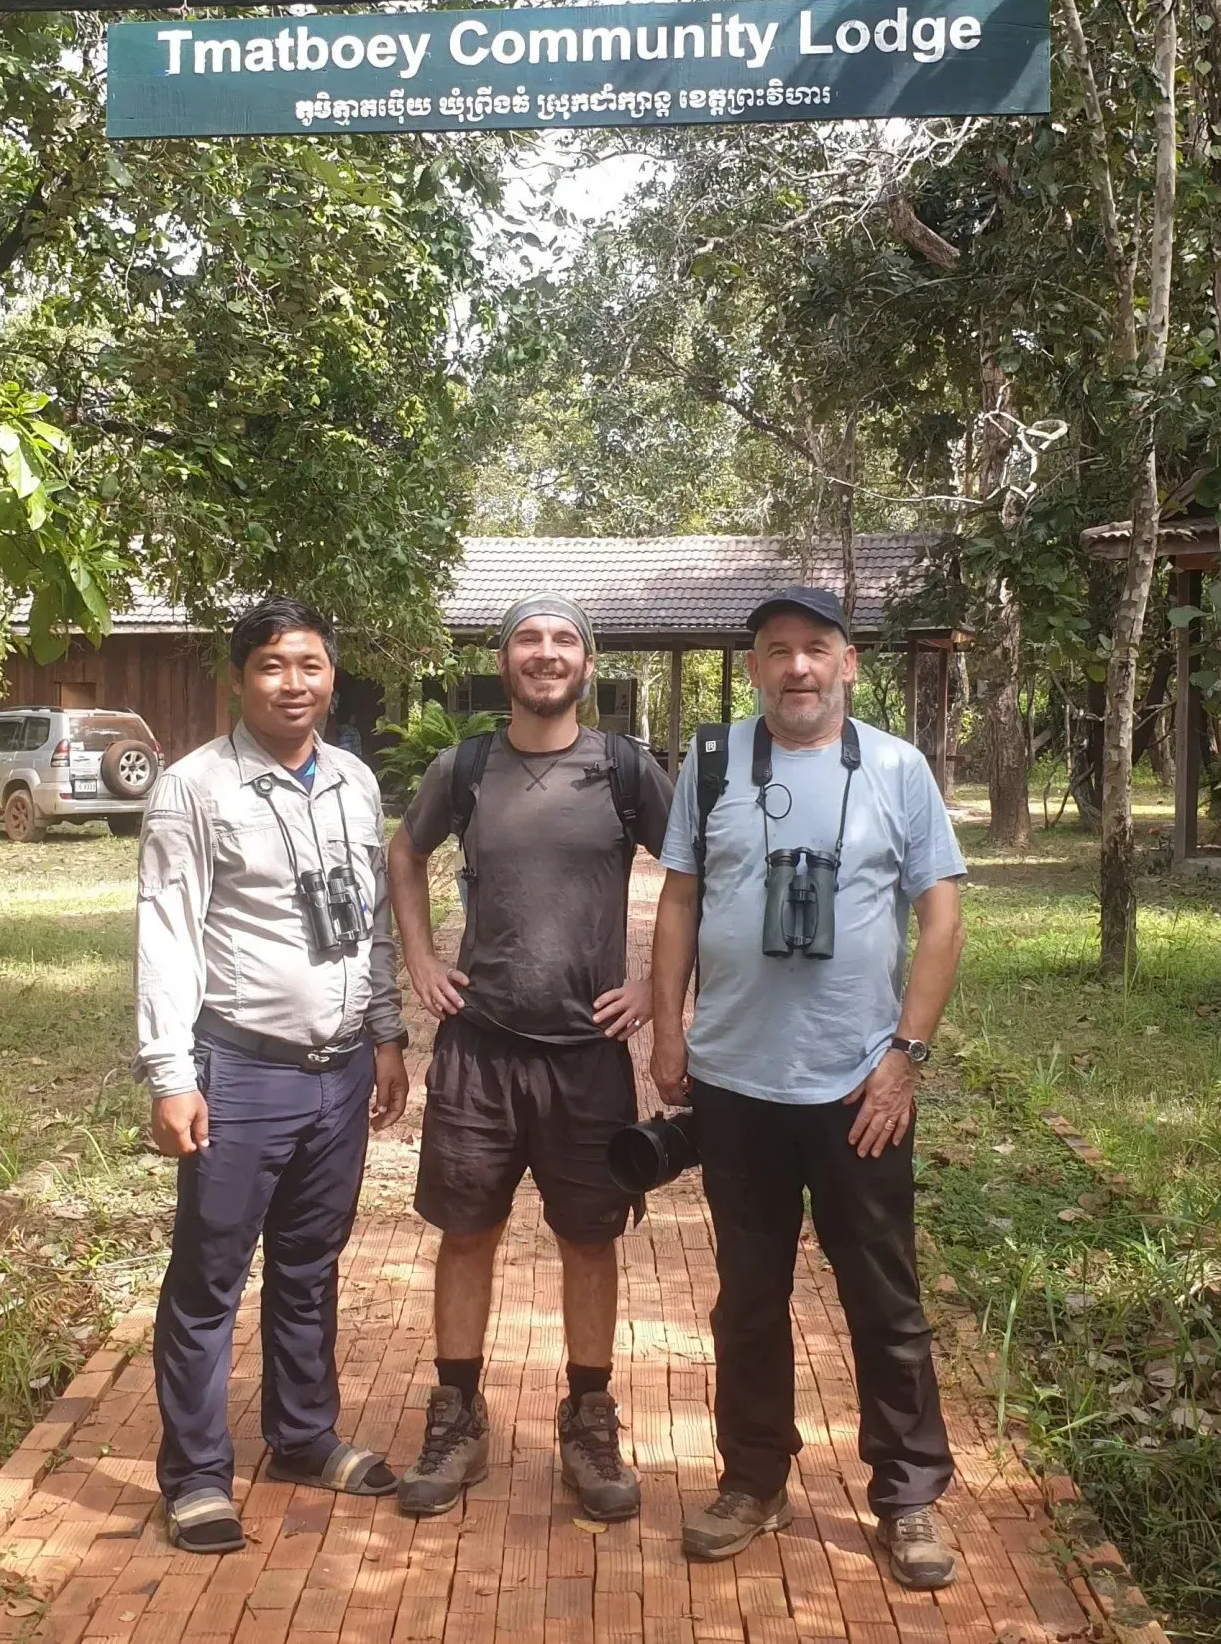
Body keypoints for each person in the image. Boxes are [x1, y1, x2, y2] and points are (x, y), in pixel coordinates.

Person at [650, 585, 966, 1584]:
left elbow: (942, 916)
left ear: (847, 663)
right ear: (752, 668)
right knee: (747, 1297)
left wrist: (903, 1058)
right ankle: (751, 1479)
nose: (796, 668)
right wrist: (667, 1029)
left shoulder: (896, 769)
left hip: (855, 1090)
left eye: (815, 649)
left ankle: (907, 1496)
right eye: (776, 651)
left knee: (882, 1295)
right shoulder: (708, 765)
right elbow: (677, 901)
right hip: (735, 1083)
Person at [388, 595, 674, 1521]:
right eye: (528, 639)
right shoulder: (465, 766)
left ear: (587, 661)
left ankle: (589, 1420)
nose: (545, 654)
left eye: (563, 640)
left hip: (588, 1053)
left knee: (589, 1240)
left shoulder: (626, 769)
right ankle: (458, 1417)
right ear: (503, 658)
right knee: (465, 1233)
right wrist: (423, 958)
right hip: (479, 1049)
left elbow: (699, 875)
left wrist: (658, 991)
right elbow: (405, 851)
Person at [135, 595, 409, 1555]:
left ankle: (301, 1436)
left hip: (338, 1076)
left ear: (332, 675)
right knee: (210, 1277)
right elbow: (166, 933)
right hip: (240, 1070)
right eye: (272, 666)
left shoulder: (355, 783)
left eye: (311, 665)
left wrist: (386, 1032)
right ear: (239, 678)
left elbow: (368, 919)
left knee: (308, 1266)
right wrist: (170, 1071)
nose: (294, 683)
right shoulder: (195, 788)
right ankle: (198, 1476)